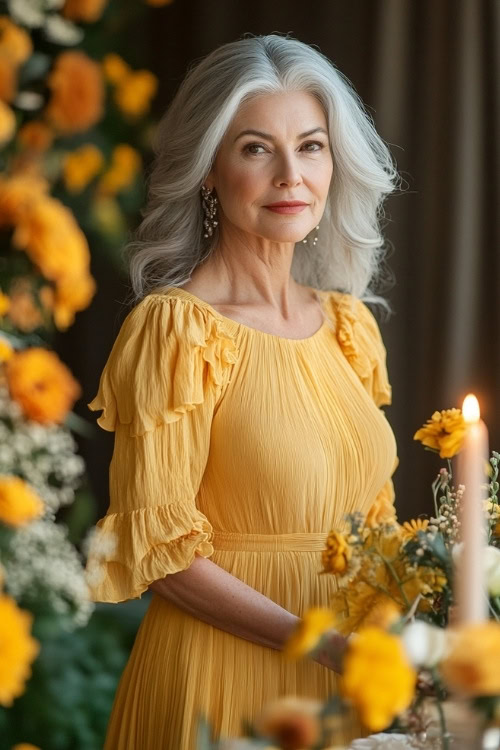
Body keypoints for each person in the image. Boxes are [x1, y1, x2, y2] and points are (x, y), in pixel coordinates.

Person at [86, 33, 400, 749]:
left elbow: (374, 532)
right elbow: (162, 555)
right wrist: (321, 645)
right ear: (209, 171)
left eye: (311, 146)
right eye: (257, 148)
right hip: (218, 675)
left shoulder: (350, 328)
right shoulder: (176, 331)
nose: (292, 174)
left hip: (346, 685)